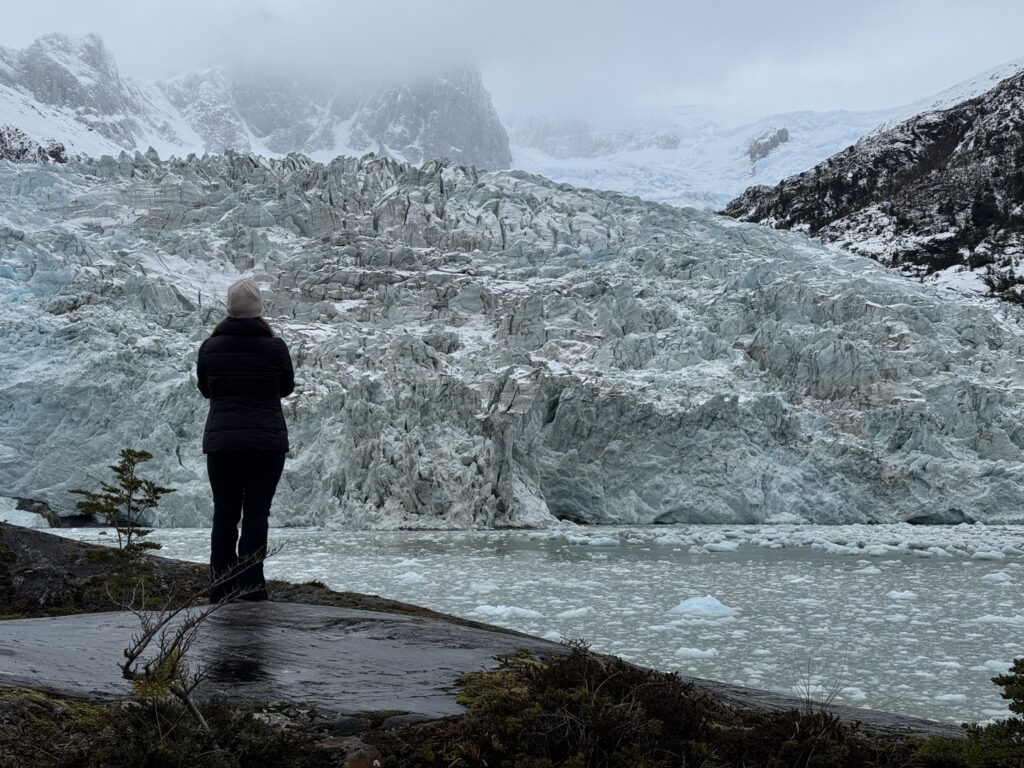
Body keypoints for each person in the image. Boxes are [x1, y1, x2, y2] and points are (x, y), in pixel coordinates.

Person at [196, 277, 294, 602]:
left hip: (222, 445)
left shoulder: (210, 348)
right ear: (258, 311)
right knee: (256, 513)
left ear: (229, 309)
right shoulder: (275, 347)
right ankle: (251, 586)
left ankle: (220, 586)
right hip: (266, 444)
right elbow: (287, 387)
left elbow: (206, 390)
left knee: (224, 512)